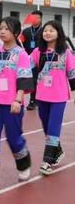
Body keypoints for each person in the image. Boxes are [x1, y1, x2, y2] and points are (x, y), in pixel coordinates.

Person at [0, 17, 33, 190]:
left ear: (16, 33)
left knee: (13, 137)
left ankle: (24, 162)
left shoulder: (21, 54)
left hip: (12, 103)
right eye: (1, 28)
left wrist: (18, 99)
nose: (2, 31)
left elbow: (24, 79)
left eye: (7, 29)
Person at [30, 20, 75, 175]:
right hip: (42, 95)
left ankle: (47, 160)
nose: (47, 33)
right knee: (46, 126)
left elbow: (72, 75)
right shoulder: (38, 52)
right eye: (45, 31)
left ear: (58, 33)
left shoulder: (66, 53)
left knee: (54, 126)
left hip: (59, 96)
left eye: (51, 30)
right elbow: (26, 65)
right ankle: (57, 151)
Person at [21, 10, 43, 111]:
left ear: (40, 19)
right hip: (28, 59)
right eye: (33, 17)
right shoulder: (25, 32)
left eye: (37, 17)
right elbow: (21, 44)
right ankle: (33, 101)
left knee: (39, 80)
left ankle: (38, 99)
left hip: (41, 58)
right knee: (31, 79)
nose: (35, 19)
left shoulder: (44, 31)